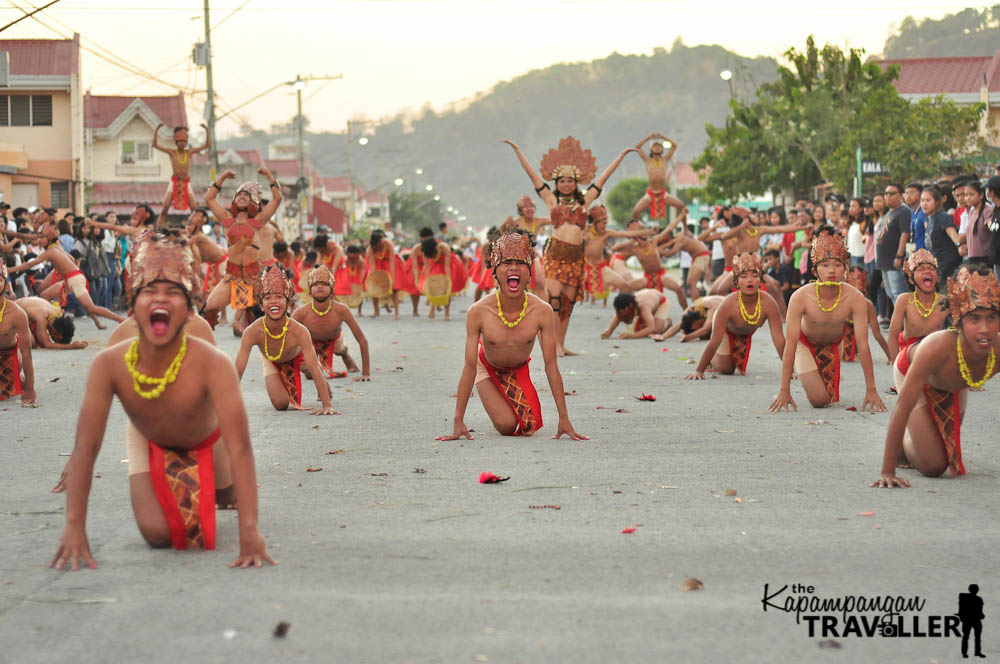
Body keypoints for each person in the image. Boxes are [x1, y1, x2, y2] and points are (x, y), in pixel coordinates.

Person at [49, 233, 275, 570]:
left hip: (206, 437)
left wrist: (250, 530)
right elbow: (86, 447)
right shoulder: (110, 361)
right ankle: (168, 481)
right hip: (147, 434)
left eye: (173, 292)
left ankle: (209, 482)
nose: (160, 300)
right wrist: (74, 526)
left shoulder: (212, 360)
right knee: (158, 535)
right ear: (133, 301)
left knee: (229, 502)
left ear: (188, 307)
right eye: (149, 291)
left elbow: (241, 446)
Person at [437, 232, 586, 440]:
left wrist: (564, 417)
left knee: (526, 427)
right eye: (506, 262)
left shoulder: (542, 311)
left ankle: (506, 396)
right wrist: (458, 419)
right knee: (508, 426)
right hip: (487, 368)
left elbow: (551, 364)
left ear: (530, 271)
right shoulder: (478, 311)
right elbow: (469, 366)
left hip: (518, 370)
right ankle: (495, 395)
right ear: (495, 272)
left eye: (520, 263)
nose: (514, 268)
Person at [502, 136, 634, 356]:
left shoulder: (585, 201)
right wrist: (517, 150)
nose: (566, 184)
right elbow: (533, 176)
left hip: (575, 257)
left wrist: (620, 157)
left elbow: (603, 178)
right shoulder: (551, 201)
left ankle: (561, 344)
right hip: (555, 254)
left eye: (570, 181)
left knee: (568, 303)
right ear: (556, 184)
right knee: (553, 300)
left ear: (576, 183)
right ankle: (552, 345)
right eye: (562, 181)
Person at [873, 264, 999, 486]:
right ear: (958, 321)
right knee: (934, 466)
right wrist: (887, 471)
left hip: (954, 383)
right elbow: (902, 406)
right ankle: (906, 440)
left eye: (991, 317)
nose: (984, 328)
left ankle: (922, 434)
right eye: (974, 319)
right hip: (912, 372)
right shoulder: (935, 347)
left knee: (943, 444)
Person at [769, 234, 886, 412]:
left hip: (834, 344)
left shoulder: (855, 298)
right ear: (815, 271)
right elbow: (790, 345)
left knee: (826, 401)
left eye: (838, 265)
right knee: (818, 401)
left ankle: (813, 377)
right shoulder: (800, 297)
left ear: (845, 269)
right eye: (825, 265)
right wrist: (784, 390)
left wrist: (871, 390)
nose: (832, 270)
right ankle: (808, 374)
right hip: (805, 343)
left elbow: (863, 346)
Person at [233, 265, 337, 414]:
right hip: (271, 358)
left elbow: (313, 365)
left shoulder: (300, 331)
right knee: (281, 404)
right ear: (262, 306)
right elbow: (239, 370)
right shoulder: (252, 331)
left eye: (279, 297)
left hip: (297, 356)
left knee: (314, 373)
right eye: (268, 298)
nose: (273, 302)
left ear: (288, 304)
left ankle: (323, 388)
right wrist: (227, 403)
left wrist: (327, 405)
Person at [201, 168, 282, 328]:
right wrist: (223, 176)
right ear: (234, 201)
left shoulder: (259, 221)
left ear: (254, 201)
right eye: (239, 194)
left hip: (255, 276)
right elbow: (209, 198)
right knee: (209, 309)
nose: (242, 196)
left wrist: (269, 175)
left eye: (246, 195)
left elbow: (277, 199)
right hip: (232, 275)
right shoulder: (226, 219)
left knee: (273, 317)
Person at [684, 253, 785, 379]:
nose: (750, 280)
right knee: (727, 369)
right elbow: (715, 340)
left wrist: (789, 371)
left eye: (754, 276)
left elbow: (779, 339)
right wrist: (699, 371)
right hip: (726, 329)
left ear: (760, 281)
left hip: (744, 332)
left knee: (730, 366)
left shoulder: (769, 303)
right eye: (744, 276)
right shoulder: (728, 305)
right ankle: (712, 359)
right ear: (737, 283)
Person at [7, 221, 124, 328]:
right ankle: (94, 323)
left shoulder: (51, 251)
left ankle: (119, 319)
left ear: (49, 239)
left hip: (74, 279)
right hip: (71, 278)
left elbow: (29, 265)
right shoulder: (55, 246)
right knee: (44, 295)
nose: (39, 240)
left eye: (43, 238)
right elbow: (29, 237)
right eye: (40, 238)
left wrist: (11, 270)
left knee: (90, 307)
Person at [291, 265, 369, 380]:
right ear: (310, 291)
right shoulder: (301, 312)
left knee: (340, 349)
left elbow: (362, 340)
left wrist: (366, 373)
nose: (320, 287)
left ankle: (345, 354)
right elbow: (286, 339)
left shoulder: (342, 310)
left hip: (335, 339)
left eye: (324, 284)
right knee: (310, 372)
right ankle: (313, 365)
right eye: (316, 284)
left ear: (332, 289)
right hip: (310, 344)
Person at [887, 249, 949, 367]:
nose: (928, 272)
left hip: (936, 355)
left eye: (931, 269)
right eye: (921, 269)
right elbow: (893, 335)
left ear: (937, 276)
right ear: (911, 279)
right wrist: (897, 365)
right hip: (909, 356)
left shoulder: (945, 302)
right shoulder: (904, 300)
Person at [582, 205, 651, 298]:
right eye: (602, 223)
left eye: (606, 223)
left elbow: (626, 233)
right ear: (595, 223)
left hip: (602, 269)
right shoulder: (586, 232)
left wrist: (647, 232)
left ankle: (634, 307)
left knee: (626, 287)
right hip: (586, 270)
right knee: (569, 292)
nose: (604, 226)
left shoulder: (607, 233)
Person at [0, 262, 37, 404]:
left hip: (10, 358)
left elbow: (27, 353)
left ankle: (18, 379)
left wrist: (30, 389)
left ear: (6, 285)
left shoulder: (17, 314)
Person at [152, 123, 211, 211]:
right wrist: (156, 129)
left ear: (186, 142)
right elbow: (155, 145)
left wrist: (206, 130)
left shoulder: (189, 152)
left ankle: (194, 223)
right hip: (174, 181)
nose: (182, 143)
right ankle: (159, 225)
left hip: (186, 182)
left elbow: (207, 145)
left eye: (184, 141)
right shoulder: (171, 152)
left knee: (194, 208)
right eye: (180, 141)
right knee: (165, 207)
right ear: (176, 142)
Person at [840, 265, 891, 364]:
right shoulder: (838, 299)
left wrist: (891, 357)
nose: (859, 283)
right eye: (856, 279)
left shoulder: (867, 305)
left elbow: (877, 334)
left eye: (863, 280)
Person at [629, 133, 684, 221]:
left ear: (662, 150)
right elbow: (637, 147)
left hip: (663, 193)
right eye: (655, 146)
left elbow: (674, 146)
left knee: (682, 207)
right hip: (650, 194)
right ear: (650, 150)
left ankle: (685, 228)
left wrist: (662, 137)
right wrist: (648, 137)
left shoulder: (665, 159)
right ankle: (638, 229)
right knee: (635, 212)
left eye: (659, 146)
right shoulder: (647, 161)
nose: (657, 147)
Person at [875, 183, 912, 304]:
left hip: (894, 260)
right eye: (886, 194)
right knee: (890, 293)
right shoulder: (889, 212)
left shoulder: (904, 211)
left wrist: (899, 256)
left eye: (892, 193)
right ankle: (898, 322)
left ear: (901, 196)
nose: (888, 196)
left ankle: (904, 322)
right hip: (884, 261)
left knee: (899, 294)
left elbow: (905, 233)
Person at [600, 289, 673, 340]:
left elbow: (651, 328)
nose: (622, 317)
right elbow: (618, 317)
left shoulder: (643, 307)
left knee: (656, 330)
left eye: (624, 313)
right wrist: (609, 331)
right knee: (641, 330)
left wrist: (631, 336)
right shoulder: (625, 307)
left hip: (661, 302)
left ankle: (667, 323)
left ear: (631, 306)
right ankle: (649, 320)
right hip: (647, 296)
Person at [365, 230, 406, 320]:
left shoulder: (388, 244)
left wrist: (391, 277)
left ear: (381, 241)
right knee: (374, 288)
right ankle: (376, 311)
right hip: (378, 266)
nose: (377, 247)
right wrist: (375, 279)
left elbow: (392, 261)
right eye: (375, 247)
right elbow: (372, 266)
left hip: (390, 265)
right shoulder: (370, 249)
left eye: (378, 245)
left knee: (394, 288)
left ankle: (396, 312)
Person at [653, 295, 726, 342]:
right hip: (722, 305)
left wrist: (688, 337)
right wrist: (663, 336)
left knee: (704, 335)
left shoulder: (710, 308)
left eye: (698, 325)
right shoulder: (690, 310)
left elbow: (705, 330)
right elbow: (679, 325)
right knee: (702, 335)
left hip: (732, 309)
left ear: (698, 321)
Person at [958, 584, 986, 659]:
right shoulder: (967, 598)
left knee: (975, 637)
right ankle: (966, 653)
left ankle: (976, 652)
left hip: (975, 620)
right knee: (967, 637)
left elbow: (980, 611)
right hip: (969, 620)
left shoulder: (978, 599)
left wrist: (982, 615)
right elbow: (961, 608)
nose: (976, 591)